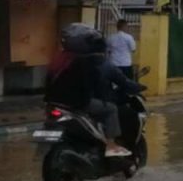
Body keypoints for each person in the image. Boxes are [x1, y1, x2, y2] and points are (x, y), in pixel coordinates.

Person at [46, 24, 130, 158]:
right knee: (111, 109)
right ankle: (111, 145)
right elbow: (96, 83)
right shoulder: (85, 61)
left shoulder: (59, 59)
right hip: (77, 103)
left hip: (53, 102)